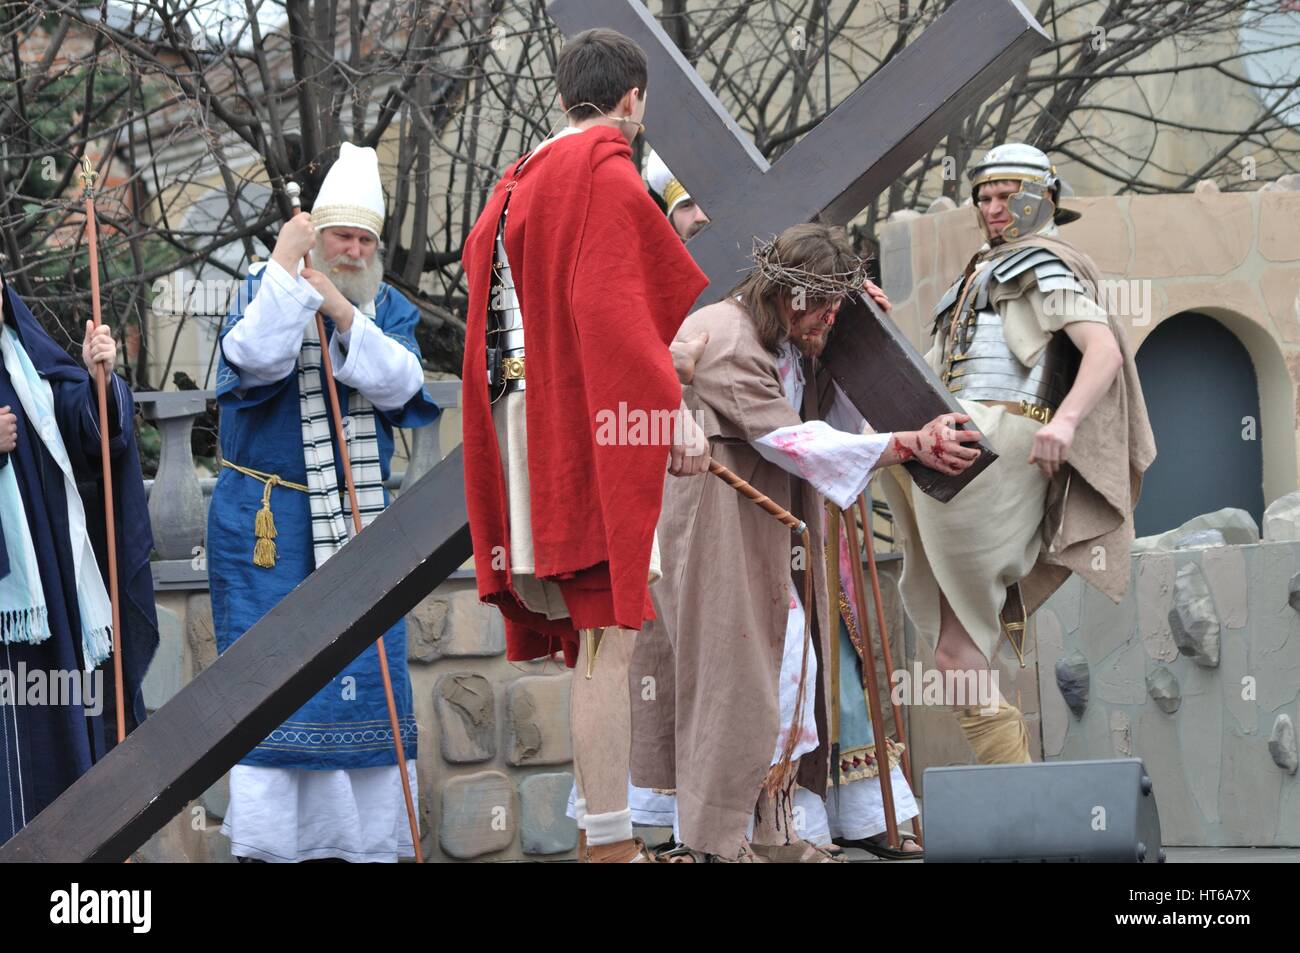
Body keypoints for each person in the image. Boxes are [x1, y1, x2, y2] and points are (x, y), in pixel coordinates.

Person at [637, 223, 980, 861]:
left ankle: (773, 826)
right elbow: (792, 442)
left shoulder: (791, 339)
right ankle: (718, 835)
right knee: (742, 669)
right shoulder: (726, 332)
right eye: (824, 304)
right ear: (789, 295)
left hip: (777, 518)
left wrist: (861, 346)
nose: (830, 317)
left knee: (794, 662)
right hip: (722, 521)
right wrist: (907, 445)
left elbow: (822, 426)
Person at [460, 28, 709, 863]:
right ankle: (610, 844)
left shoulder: (516, 179)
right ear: (632, 100)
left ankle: (596, 825)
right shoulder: (601, 166)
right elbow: (610, 311)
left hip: (523, 430)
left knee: (592, 640)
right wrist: (669, 413)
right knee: (609, 628)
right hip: (579, 430)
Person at [880, 143, 1154, 764]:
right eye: (983, 196)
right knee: (955, 650)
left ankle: (1021, 801)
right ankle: (1021, 797)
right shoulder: (987, 266)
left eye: (1007, 195)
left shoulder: (1038, 263)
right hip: (963, 436)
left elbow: (1103, 350)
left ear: (1043, 196)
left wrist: (1066, 423)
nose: (992, 207)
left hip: (992, 446)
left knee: (958, 648)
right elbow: (945, 372)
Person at [209, 143, 438, 862]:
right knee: (268, 683)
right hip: (268, 535)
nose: (356, 248)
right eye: (344, 235)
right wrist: (287, 274)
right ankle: (274, 849)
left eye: (367, 239)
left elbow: (403, 385)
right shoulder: (260, 287)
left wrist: (340, 310)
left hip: (359, 530)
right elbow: (252, 359)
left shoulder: (384, 306)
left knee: (366, 678)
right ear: (318, 233)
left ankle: (364, 845)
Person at [0, 269, 157, 844]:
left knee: (58, 751)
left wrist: (99, 381)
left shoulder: (28, 364)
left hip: (49, 616)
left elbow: (92, 436)